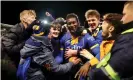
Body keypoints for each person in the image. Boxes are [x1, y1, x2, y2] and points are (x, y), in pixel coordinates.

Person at [87, 1, 133, 80]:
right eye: (88, 20)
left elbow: (108, 71)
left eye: (124, 14)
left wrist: (90, 61)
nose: (122, 19)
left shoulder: (122, 42)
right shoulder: (107, 40)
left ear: (111, 28)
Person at [75, 13, 122, 79]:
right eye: (89, 20)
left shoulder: (115, 45)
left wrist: (90, 60)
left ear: (98, 20)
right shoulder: (104, 39)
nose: (90, 22)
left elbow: (105, 67)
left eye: (103, 23)